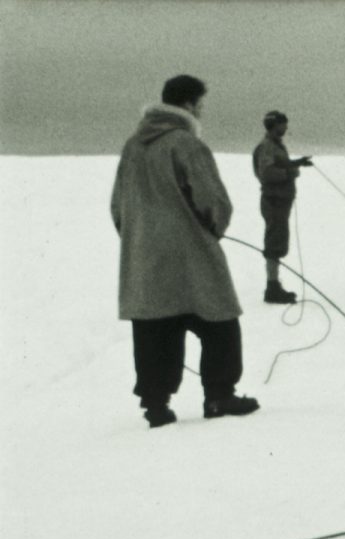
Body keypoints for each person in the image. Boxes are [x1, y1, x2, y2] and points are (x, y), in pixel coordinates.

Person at [110, 74, 259, 428]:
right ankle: (219, 396)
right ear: (189, 104)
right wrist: (210, 232)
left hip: (145, 257)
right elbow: (214, 203)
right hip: (191, 254)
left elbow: (118, 207)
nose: (202, 111)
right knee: (219, 321)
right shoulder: (187, 144)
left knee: (153, 328)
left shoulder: (132, 145)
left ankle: (156, 406)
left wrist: (139, 239)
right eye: (201, 104)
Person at [253, 110, 313, 304]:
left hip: (279, 200)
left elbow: (279, 165)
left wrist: (298, 163)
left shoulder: (274, 146)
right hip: (274, 201)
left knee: (276, 242)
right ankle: (272, 288)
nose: (286, 127)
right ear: (274, 125)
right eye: (283, 124)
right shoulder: (267, 147)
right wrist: (292, 172)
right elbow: (267, 173)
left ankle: (274, 285)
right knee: (274, 244)